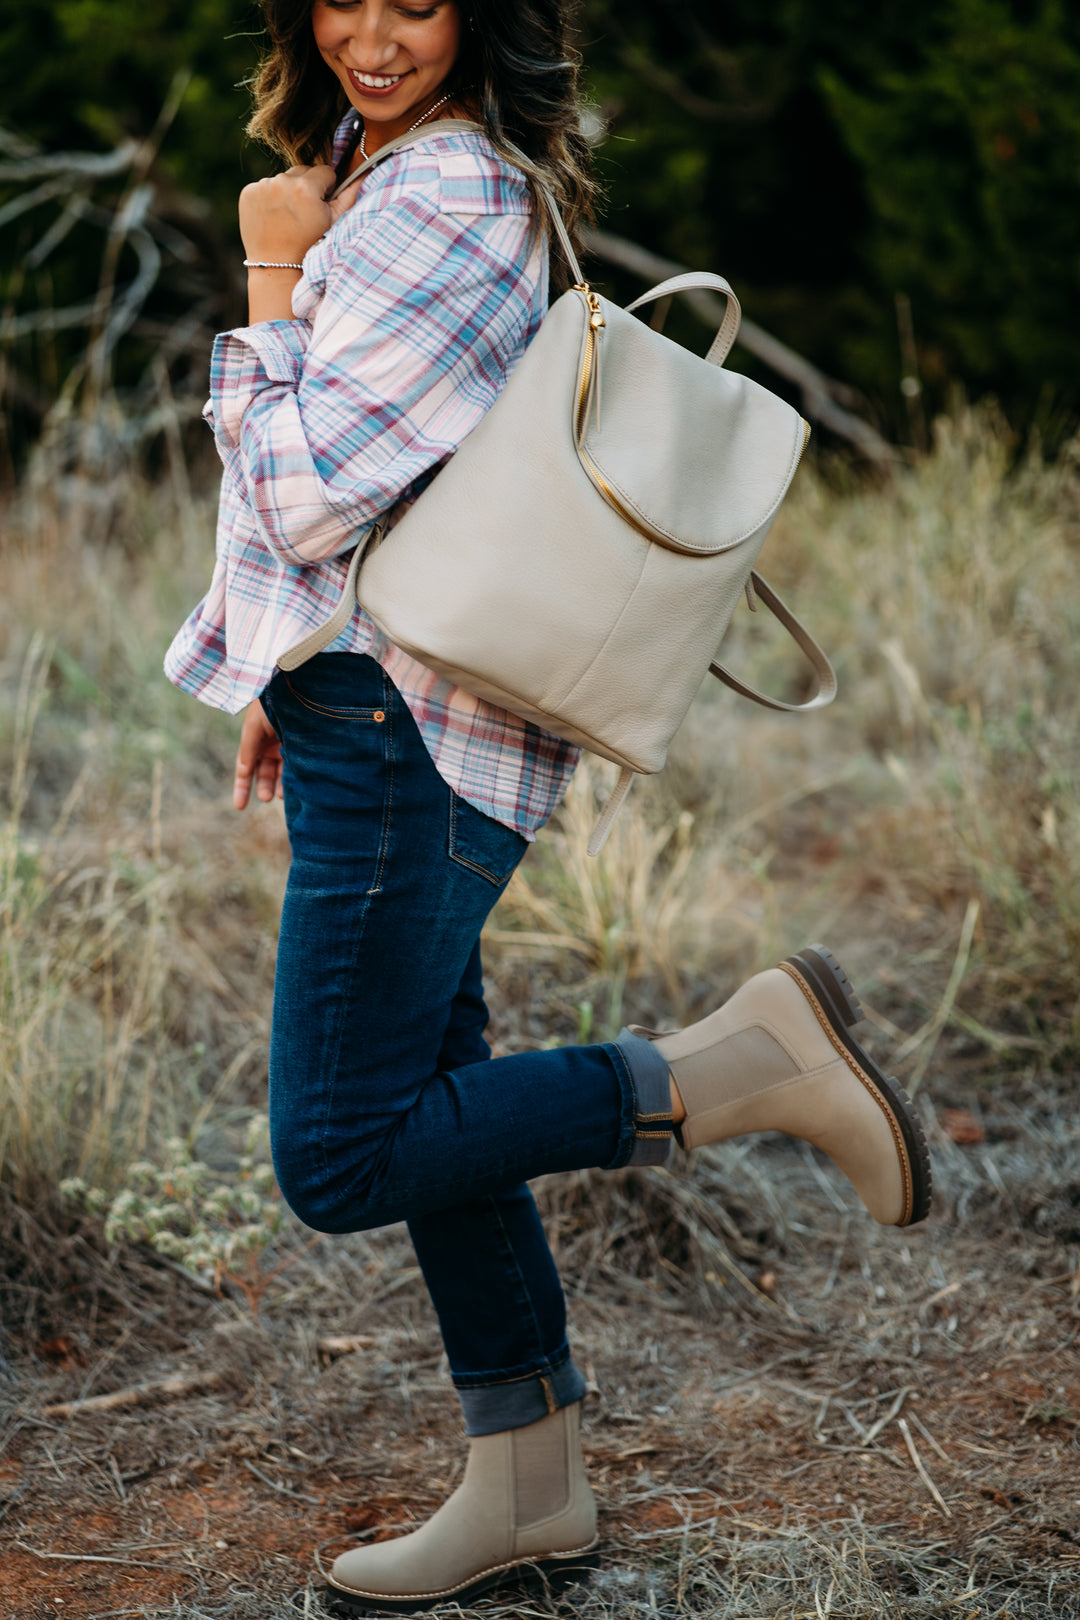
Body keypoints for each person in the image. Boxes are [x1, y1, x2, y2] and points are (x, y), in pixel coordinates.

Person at [165, 0, 932, 1611]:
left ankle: (739, 1065)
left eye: (420, 2)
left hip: (410, 732)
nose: (373, 36)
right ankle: (531, 1484)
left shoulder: (437, 201)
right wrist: (274, 669)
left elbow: (302, 485)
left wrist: (268, 275)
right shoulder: (383, 167)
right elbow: (368, 508)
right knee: (438, 1101)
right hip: (368, 701)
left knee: (343, 1150)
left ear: (484, 13)